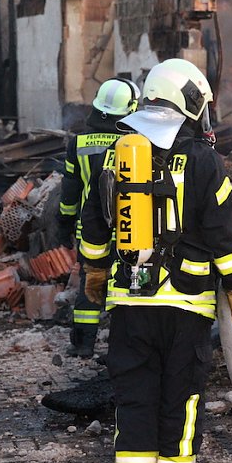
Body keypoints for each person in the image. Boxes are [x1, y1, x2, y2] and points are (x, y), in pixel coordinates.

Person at [78, 58, 232, 463]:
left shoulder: (114, 156)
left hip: (128, 300)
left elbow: (94, 225)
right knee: (182, 393)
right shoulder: (204, 162)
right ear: (191, 102)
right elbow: (223, 235)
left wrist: (96, 271)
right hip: (185, 303)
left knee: (134, 389)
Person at [57, 78, 141, 358]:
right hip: (129, 230)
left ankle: (82, 343)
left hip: (89, 231)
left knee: (89, 284)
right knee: (127, 286)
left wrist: (65, 224)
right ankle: (121, 348)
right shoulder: (135, 144)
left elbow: (70, 191)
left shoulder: (78, 143)